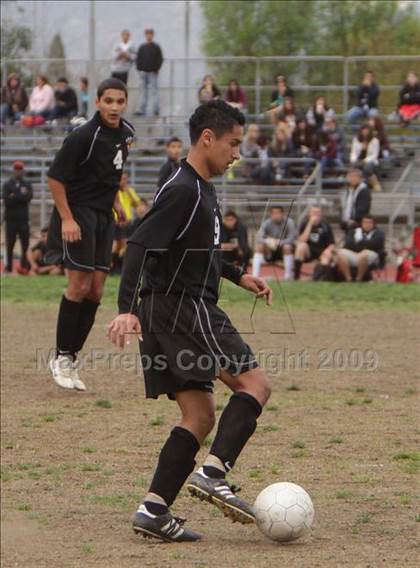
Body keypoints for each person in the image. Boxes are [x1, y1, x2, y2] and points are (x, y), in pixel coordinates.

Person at [107, 100, 272, 542]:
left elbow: (200, 253)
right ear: (208, 138)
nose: (237, 153)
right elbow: (139, 244)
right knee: (255, 385)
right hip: (183, 306)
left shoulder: (202, 188)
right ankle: (213, 474)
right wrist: (124, 309)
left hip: (169, 308)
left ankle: (153, 510)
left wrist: (239, 276)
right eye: (233, 144)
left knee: (199, 415)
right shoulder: (183, 188)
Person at [45, 78, 135, 391]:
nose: (114, 107)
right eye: (108, 101)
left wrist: (115, 202)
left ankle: (70, 355)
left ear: (125, 103)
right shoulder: (83, 136)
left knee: (96, 290)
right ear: (97, 102)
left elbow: (109, 172)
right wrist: (67, 219)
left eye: (119, 101)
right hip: (78, 213)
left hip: (102, 216)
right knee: (79, 284)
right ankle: (62, 357)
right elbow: (55, 179)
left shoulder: (127, 134)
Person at [2, 161, 33, 274]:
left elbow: (28, 198)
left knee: (25, 243)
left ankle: (24, 266)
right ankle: (9, 267)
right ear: (13, 170)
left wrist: (14, 196)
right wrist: (20, 196)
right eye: (16, 169)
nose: (18, 172)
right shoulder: (7, 184)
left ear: (23, 171)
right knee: (10, 244)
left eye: (20, 169)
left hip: (23, 219)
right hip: (10, 219)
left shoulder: (27, 184)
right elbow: (6, 200)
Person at [252, 205, 297, 280]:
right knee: (259, 246)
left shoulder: (290, 223)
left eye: (278, 213)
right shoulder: (266, 223)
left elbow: (292, 238)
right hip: (270, 250)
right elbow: (259, 237)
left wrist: (280, 242)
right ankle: (255, 276)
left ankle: (288, 276)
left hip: (284, 250)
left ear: (283, 214)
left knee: (287, 247)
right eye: (274, 213)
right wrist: (269, 241)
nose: (276, 215)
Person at [337, 215, 385, 282]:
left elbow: (375, 244)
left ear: (373, 224)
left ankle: (359, 279)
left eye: (369, 222)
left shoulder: (379, 233)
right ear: (361, 223)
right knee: (341, 253)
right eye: (365, 222)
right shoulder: (355, 230)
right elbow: (348, 243)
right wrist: (363, 246)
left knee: (364, 254)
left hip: (372, 255)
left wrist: (359, 242)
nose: (367, 225)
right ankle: (348, 278)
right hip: (355, 253)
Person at [111, 171, 142, 274]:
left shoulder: (129, 191)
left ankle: (115, 266)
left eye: (126, 179)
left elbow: (137, 204)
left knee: (122, 246)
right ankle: (114, 266)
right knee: (119, 245)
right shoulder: (115, 192)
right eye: (122, 179)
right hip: (117, 222)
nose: (124, 181)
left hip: (127, 223)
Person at [294, 206, 335, 280]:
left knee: (327, 255)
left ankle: (314, 279)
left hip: (321, 251)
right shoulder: (304, 224)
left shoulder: (326, 225)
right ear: (309, 214)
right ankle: (296, 277)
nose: (315, 215)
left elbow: (332, 244)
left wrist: (328, 250)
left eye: (317, 213)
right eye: (313, 213)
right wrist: (310, 224)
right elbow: (301, 240)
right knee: (301, 246)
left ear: (321, 214)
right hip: (308, 251)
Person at [135, 28, 163, 116]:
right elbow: (138, 58)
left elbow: (160, 59)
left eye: (150, 34)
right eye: (147, 34)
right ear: (145, 35)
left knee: (154, 91)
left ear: (152, 35)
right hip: (143, 72)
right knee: (143, 92)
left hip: (152, 73)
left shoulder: (156, 47)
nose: (149, 36)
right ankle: (142, 109)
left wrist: (157, 69)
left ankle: (156, 109)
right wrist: (139, 69)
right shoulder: (142, 47)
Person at [350, 125, 382, 192]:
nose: (365, 132)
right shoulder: (356, 140)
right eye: (364, 130)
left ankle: (365, 184)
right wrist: (354, 159)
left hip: (371, 160)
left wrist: (365, 160)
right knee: (355, 166)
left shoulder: (375, 141)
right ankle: (373, 182)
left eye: (367, 130)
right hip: (358, 160)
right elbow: (353, 152)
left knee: (367, 167)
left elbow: (375, 155)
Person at [340, 168, 371, 232]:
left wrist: (354, 220)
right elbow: (342, 207)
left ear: (360, 178)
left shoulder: (364, 191)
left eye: (355, 176)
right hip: (347, 222)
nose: (352, 179)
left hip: (358, 223)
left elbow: (363, 208)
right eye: (350, 176)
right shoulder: (347, 190)